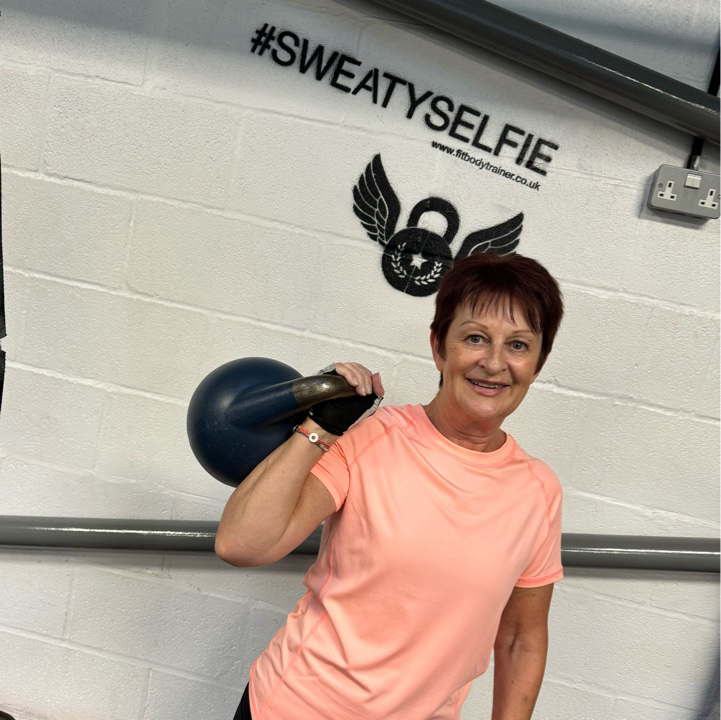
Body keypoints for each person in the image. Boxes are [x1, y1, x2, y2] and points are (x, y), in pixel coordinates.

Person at [216, 252, 565, 720]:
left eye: (518, 345)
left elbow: (521, 639)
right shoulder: (373, 438)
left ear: (538, 364)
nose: (494, 362)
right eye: (475, 338)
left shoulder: (538, 491)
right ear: (439, 347)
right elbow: (241, 545)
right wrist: (321, 425)